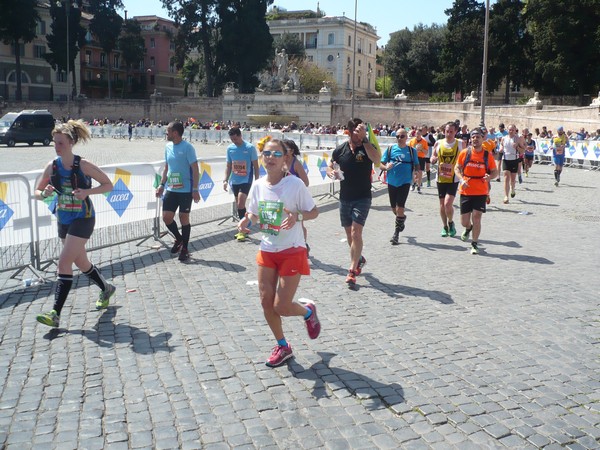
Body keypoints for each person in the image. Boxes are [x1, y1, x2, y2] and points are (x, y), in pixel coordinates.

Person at [237, 139, 320, 367]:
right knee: (266, 302)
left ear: (285, 158)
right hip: (267, 249)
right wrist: (247, 221)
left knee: (281, 306)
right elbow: (254, 214)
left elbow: (314, 211)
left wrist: (297, 216)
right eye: (266, 153)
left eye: (276, 154)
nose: (270, 157)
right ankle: (283, 346)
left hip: (292, 250)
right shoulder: (257, 185)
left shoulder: (295, 185)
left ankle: (307, 312)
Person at [35, 120, 116, 328]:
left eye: (60, 143)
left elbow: (108, 185)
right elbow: (37, 192)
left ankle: (55, 314)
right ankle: (106, 288)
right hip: (63, 218)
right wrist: (44, 193)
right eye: (55, 143)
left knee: (63, 262)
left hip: (83, 218)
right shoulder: (51, 166)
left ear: (71, 143)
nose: (56, 147)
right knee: (81, 263)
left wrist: (87, 192)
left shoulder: (84, 165)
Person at [327, 118, 381, 286]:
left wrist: (365, 140)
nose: (358, 136)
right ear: (349, 132)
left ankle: (352, 270)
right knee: (350, 235)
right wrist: (330, 172)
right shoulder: (341, 149)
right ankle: (359, 259)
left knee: (356, 233)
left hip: (363, 196)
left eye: (361, 133)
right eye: (356, 133)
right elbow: (330, 164)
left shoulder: (366, 147)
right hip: (345, 197)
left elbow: (377, 159)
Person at [156, 121, 200, 261]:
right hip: (171, 188)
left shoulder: (188, 147)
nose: (166, 133)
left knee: (183, 217)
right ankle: (179, 239)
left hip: (186, 190)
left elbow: (195, 169)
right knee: (166, 217)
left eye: (168, 131)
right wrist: (161, 185)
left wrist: (195, 189)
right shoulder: (167, 147)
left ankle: (185, 248)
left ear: (175, 133)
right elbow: (166, 168)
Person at [454, 127, 498, 255]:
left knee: (477, 217)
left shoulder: (487, 155)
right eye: (473, 137)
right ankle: (468, 228)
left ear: (482, 139)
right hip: (466, 190)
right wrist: (462, 180)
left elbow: (495, 171)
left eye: (477, 137)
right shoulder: (465, 153)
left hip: (480, 190)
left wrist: (490, 177)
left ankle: (474, 243)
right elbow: (457, 168)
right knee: (464, 221)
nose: (475, 139)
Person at [379, 129, 419, 244]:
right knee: (394, 209)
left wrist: (416, 174)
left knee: (400, 208)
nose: (399, 138)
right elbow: (380, 164)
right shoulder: (390, 149)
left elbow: (416, 165)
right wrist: (386, 167)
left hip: (405, 182)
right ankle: (402, 218)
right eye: (397, 136)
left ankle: (396, 235)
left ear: (407, 137)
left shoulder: (412, 151)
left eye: (402, 136)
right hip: (392, 181)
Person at [223, 127, 259, 241]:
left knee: (240, 203)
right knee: (240, 206)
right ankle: (243, 227)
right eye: (232, 139)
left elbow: (256, 166)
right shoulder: (230, 148)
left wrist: (257, 181)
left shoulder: (250, 148)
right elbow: (228, 166)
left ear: (240, 136)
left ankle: (243, 230)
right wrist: (225, 179)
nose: (234, 141)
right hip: (234, 180)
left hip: (246, 179)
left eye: (235, 139)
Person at [431, 121, 465, 237]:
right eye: (447, 131)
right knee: (441, 205)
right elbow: (433, 156)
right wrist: (433, 159)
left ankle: (451, 223)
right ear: (444, 131)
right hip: (440, 178)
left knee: (447, 203)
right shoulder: (438, 143)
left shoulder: (460, 144)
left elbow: (465, 159)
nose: (449, 134)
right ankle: (445, 226)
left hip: (453, 179)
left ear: (455, 132)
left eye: (451, 131)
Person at [282, 139, 311, 254]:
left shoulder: (296, 164)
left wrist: (294, 185)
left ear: (292, 151)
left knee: (299, 223)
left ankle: (303, 246)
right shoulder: (281, 162)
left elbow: (306, 182)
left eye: (285, 149)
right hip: (284, 198)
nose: (283, 151)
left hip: (297, 198)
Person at [499, 124, 525, 204]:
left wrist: (517, 147)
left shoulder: (518, 139)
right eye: (510, 130)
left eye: (513, 130)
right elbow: (501, 147)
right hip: (506, 159)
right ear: (507, 130)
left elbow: (523, 151)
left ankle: (513, 189)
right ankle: (506, 196)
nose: (511, 131)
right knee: (506, 177)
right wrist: (501, 149)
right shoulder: (504, 138)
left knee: (513, 179)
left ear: (515, 130)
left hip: (514, 160)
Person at [409, 129, 429, 193]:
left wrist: (421, 149)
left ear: (421, 134)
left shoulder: (424, 142)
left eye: (419, 134)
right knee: (414, 172)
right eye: (416, 134)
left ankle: (419, 186)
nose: (417, 135)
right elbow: (408, 150)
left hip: (421, 158)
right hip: (413, 158)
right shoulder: (412, 141)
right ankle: (413, 183)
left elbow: (426, 152)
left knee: (420, 172)